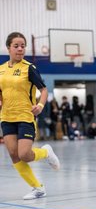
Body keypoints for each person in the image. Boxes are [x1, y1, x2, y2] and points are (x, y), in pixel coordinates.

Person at [0, 32, 60, 200]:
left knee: (24, 154)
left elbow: (44, 90)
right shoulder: (1, 70)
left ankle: (46, 153)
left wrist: (40, 105)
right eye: (16, 46)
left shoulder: (29, 68)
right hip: (6, 117)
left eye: (23, 46)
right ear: (8, 48)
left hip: (25, 116)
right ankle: (38, 188)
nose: (20, 49)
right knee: (14, 154)